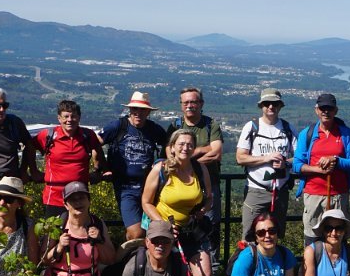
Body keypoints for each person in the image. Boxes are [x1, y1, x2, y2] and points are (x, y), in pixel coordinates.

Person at [141, 129, 214, 276]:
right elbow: (146, 202)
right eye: (181, 144)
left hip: (192, 231)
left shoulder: (200, 169)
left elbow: (209, 198)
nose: (185, 148)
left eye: (190, 144)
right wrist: (162, 224)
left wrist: (203, 209)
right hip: (165, 233)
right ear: (172, 147)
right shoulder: (161, 170)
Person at [100, 91, 168, 241]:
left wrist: (163, 164)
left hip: (148, 186)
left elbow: (169, 145)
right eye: (134, 109)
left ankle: (134, 254)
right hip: (125, 188)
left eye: (142, 109)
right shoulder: (118, 126)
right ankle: (126, 254)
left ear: (148, 112)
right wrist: (103, 168)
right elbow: (95, 143)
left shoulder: (154, 129)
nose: (138, 113)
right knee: (136, 232)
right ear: (129, 110)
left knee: (151, 231)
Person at [292, 92, 350, 243]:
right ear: (317, 110)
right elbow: (296, 165)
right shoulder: (307, 134)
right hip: (314, 194)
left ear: (336, 111)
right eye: (322, 108)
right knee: (313, 240)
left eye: (330, 108)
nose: (326, 112)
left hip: (338, 195)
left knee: (338, 240)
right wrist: (317, 170)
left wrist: (336, 160)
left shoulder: (345, 133)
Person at [166, 87, 224, 259]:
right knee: (179, 225)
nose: (189, 105)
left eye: (193, 102)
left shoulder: (210, 125)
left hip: (208, 186)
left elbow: (216, 153)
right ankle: (181, 264)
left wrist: (189, 160)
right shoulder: (175, 126)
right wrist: (204, 149)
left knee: (210, 226)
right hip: (180, 186)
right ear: (181, 105)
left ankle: (211, 267)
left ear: (201, 104)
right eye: (186, 102)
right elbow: (169, 155)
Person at [235, 88, 296, 239]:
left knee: (275, 236)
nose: (271, 106)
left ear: (280, 106)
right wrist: (266, 158)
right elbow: (240, 158)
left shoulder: (288, 129)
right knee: (249, 236)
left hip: (280, 192)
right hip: (256, 191)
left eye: (275, 103)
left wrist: (286, 164)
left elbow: (300, 158)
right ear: (261, 106)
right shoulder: (252, 127)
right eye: (267, 103)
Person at [32, 99, 105, 217]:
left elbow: (98, 150)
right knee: (55, 228)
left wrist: (98, 170)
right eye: (66, 116)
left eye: (73, 116)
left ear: (79, 118)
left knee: (80, 226)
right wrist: (33, 171)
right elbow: (30, 147)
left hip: (80, 194)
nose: (69, 120)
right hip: (55, 195)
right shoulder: (48, 135)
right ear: (59, 118)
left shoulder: (87, 135)